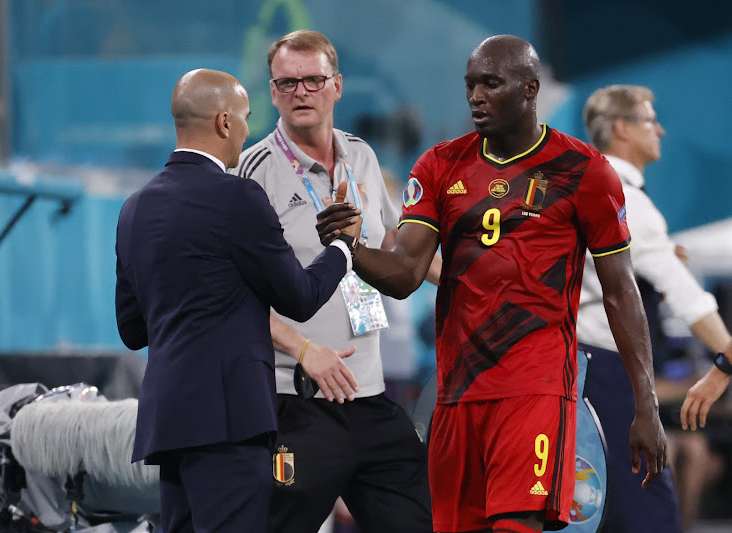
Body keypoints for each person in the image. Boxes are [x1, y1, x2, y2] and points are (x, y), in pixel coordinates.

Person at [316, 35, 668, 533]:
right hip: (457, 394)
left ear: (530, 89)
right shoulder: (439, 166)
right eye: (470, 85)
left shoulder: (585, 171)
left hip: (536, 388)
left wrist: (645, 403)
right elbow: (405, 275)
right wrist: (351, 247)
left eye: (491, 83)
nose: (476, 96)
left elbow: (620, 292)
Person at [115, 68, 359, 533]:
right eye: (247, 119)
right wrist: (343, 248)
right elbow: (301, 297)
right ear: (225, 122)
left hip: (169, 422)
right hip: (229, 423)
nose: (249, 131)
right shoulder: (237, 197)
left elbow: (132, 329)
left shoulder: (134, 208)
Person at [232, 30, 435, 533]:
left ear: (337, 86)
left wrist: (473, 288)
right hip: (295, 401)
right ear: (273, 92)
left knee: (421, 522)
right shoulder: (253, 173)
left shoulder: (362, 156)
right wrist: (305, 351)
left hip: (370, 396)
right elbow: (235, 295)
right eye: (287, 83)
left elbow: (396, 243)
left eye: (313, 80)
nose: (301, 92)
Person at [577, 84, 732, 531]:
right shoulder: (630, 202)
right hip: (607, 374)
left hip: (584, 370)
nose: (660, 129)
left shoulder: (590, 189)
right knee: (650, 517)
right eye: (650, 119)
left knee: (599, 513)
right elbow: (687, 295)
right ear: (622, 129)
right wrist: (727, 356)